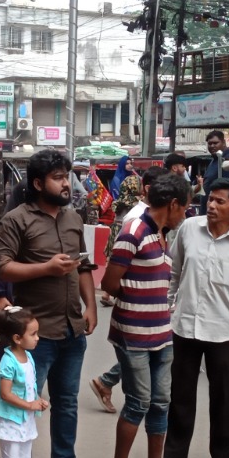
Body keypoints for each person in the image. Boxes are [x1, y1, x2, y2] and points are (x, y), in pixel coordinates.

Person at [0, 149, 100, 458]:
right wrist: (45, 268)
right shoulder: (17, 220)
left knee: (67, 403)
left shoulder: (73, 219)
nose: (66, 182)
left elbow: (83, 265)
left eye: (67, 175)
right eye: (58, 177)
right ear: (38, 183)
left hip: (71, 329)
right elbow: (0, 267)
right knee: (23, 407)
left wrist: (91, 307)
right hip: (34, 335)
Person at [100, 172, 192, 458]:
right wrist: (139, 299)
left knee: (161, 402)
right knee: (139, 402)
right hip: (133, 334)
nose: (186, 214)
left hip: (162, 334)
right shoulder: (134, 230)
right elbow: (110, 284)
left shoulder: (165, 234)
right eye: (186, 208)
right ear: (174, 204)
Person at [164, 180, 229, 458]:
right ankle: (176, 455)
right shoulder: (189, 229)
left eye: (220, 202)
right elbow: (174, 273)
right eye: (210, 200)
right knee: (180, 394)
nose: (212, 206)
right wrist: (167, 311)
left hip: (224, 331)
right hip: (185, 327)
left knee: (223, 398)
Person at [92, 167, 168, 409]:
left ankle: (106, 381)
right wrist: (134, 297)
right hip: (135, 319)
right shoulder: (136, 220)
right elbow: (114, 275)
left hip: (157, 316)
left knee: (156, 392)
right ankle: (107, 381)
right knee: (141, 397)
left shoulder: (159, 220)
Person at [0, 307, 50, 458]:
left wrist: (38, 400)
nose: (37, 338)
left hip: (25, 420)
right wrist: (29, 404)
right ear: (17, 338)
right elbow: (5, 394)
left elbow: (29, 386)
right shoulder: (8, 362)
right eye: (33, 334)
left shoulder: (28, 357)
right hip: (11, 422)